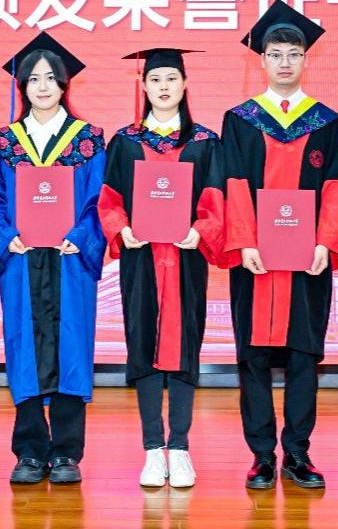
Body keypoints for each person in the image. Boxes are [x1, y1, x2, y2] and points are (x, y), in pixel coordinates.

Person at [219, 0, 338, 490]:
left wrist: (325, 243)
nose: (285, 62)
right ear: (263, 60)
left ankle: (297, 453)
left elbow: (335, 186)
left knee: (302, 356)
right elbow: (232, 184)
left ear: (306, 59)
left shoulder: (326, 122)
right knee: (253, 357)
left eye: (294, 53)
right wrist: (245, 242)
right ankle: (260, 456)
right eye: (276, 54)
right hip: (254, 258)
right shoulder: (240, 120)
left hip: (307, 259)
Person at [0, 31, 107, 485]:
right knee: (23, 347)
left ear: (65, 84)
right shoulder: (5, 143)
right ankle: (30, 452)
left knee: (72, 345)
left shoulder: (88, 140)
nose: (43, 86)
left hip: (70, 260)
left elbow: (101, 200)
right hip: (22, 259)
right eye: (34, 79)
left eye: (51, 78)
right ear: (23, 86)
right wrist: (5, 238)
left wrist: (81, 235)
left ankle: (67, 452)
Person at [98, 48, 225, 489]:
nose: (164, 86)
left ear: (185, 84)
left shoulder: (205, 142)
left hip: (187, 257)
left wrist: (201, 230)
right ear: (144, 85)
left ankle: (181, 448)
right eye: (156, 79)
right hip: (141, 258)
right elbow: (110, 198)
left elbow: (216, 198)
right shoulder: (126, 141)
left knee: (186, 340)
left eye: (172, 78)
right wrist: (122, 228)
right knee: (143, 341)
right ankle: (153, 448)